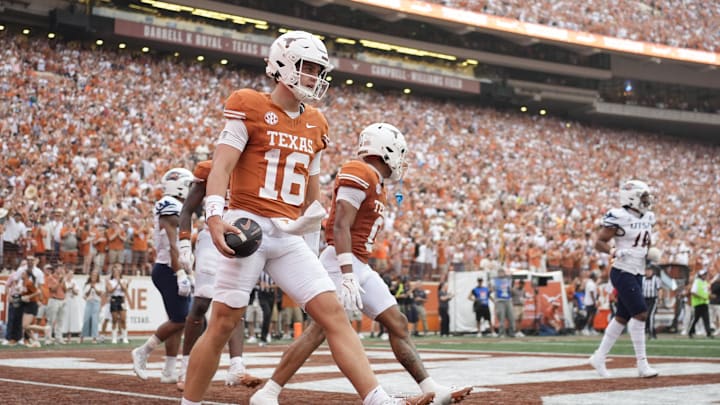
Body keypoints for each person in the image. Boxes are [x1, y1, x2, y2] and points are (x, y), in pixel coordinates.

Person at [182, 32, 434, 405]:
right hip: (247, 224)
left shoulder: (316, 122)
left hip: (288, 234)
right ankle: (190, 402)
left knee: (333, 313)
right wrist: (216, 216)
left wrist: (311, 239)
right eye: (308, 68)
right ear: (282, 65)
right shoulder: (249, 105)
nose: (315, 77)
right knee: (222, 323)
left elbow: (312, 194)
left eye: (319, 69)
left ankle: (377, 399)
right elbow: (221, 167)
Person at [250, 123, 470, 405]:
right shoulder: (359, 172)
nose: (401, 161)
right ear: (385, 149)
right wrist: (347, 274)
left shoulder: (375, 180)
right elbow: (340, 225)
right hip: (341, 262)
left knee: (397, 322)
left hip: (360, 264)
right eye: (399, 153)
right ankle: (269, 392)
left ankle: (431, 387)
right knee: (319, 329)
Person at [175, 160, 261, 391]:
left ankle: (236, 367)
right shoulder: (210, 168)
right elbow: (187, 211)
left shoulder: (259, 167)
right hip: (212, 237)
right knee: (202, 301)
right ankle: (186, 368)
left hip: (242, 240)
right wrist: (184, 242)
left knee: (236, 301)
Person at [589, 180, 659, 378]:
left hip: (637, 271)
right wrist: (614, 250)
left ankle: (599, 357)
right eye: (643, 197)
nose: (647, 201)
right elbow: (599, 242)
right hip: (622, 270)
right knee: (641, 313)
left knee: (622, 317)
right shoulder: (619, 216)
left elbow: (645, 242)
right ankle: (642, 364)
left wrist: (650, 251)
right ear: (631, 197)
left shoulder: (648, 217)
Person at [132, 167, 194, 383]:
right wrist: (180, 273)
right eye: (188, 185)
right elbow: (172, 243)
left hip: (171, 268)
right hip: (168, 268)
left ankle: (168, 370)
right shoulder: (170, 205)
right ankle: (143, 351)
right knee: (182, 319)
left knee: (177, 319)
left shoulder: (177, 205)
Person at [107, 263, 130, 344]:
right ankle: (114, 337)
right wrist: (116, 284)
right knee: (114, 319)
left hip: (121, 300)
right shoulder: (110, 281)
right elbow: (110, 290)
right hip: (114, 299)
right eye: (114, 272)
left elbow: (124, 289)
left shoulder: (123, 280)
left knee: (123, 319)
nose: (116, 273)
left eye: (117, 272)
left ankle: (125, 337)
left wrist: (119, 282)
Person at [80, 269, 104, 344]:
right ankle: (82, 337)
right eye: (93, 275)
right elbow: (85, 295)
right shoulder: (87, 284)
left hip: (96, 302)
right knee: (86, 319)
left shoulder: (100, 284)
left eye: (95, 275)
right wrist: (90, 287)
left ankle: (94, 338)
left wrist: (94, 287)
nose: (94, 276)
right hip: (89, 302)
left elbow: (100, 294)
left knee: (95, 320)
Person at [688, 269, 712, 339]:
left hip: (704, 303)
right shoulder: (697, 282)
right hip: (698, 304)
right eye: (704, 274)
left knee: (706, 319)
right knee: (695, 319)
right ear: (700, 275)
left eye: (705, 274)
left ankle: (708, 333)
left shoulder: (705, 283)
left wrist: (709, 296)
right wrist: (702, 297)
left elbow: (707, 292)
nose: (705, 276)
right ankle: (690, 331)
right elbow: (693, 292)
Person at [493, 269, 515, 337]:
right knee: (501, 318)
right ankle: (502, 333)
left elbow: (511, 291)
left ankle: (512, 332)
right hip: (500, 300)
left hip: (508, 300)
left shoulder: (508, 280)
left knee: (511, 317)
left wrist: (511, 289)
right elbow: (493, 289)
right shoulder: (495, 280)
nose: (501, 274)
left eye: (502, 272)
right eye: (499, 272)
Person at [642, 265, 662, 339]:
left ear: (652, 271)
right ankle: (652, 332)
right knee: (645, 316)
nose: (648, 272)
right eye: (647, 270)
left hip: (653, 299)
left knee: (650, 316)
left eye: (649, 270)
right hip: (644, 300)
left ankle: (651, 334)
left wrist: (660, 299)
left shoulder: (656, 279)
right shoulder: (643, 279)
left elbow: (659, 289)